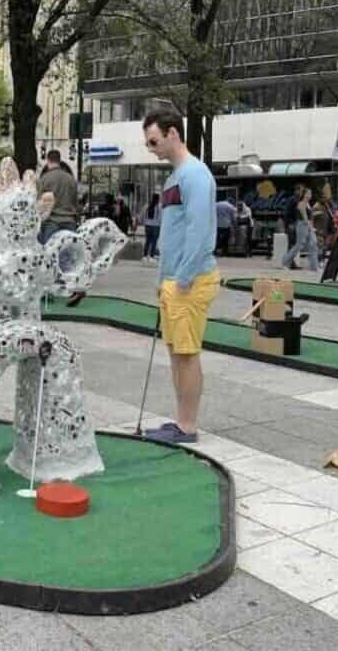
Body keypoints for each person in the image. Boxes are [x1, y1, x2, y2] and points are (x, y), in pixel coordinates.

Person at [141, 107, 220, 444]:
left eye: (154, 140)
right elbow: (172, 231)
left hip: (190, 280)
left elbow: (200, 231)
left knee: (186, 354)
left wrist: (183, 277)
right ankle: (181, 421)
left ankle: (187, 426)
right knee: (177, 353)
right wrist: (164, 277)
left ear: (173, 133)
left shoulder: (195, 175)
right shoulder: (175, 177)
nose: (151, 148)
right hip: (174, 280)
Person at [36, 150, 79, 244]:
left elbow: (39, 203)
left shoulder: (44, 179)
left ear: (48, 160)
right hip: (69, 222)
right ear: (59, 160)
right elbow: (76, 203)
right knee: (69, 254)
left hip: (51, 223)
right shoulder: (71, 179)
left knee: (50, 255)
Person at [282, 187, 320, 271]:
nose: (310, 195)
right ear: (304, 194)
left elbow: (310, 216)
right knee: (299, 245)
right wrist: (311, 228)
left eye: (311, 193)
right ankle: (285, 263)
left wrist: (315, 213)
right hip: (302, 225)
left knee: (313, 244)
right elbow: (305, 217)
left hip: (308, 225)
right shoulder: (301, 204)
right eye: (308, 193)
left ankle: (314, 266)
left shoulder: (308, 204)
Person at [142, 194, 161, 264]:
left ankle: (144, 256)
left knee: (147, 241)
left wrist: (145, 222)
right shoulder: (159, 207)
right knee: (154, 242)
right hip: (156, 226)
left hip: (147, 225)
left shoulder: (147, 206)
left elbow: (143, 215)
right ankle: (151, 256)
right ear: (158, 199)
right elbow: (160, 218)